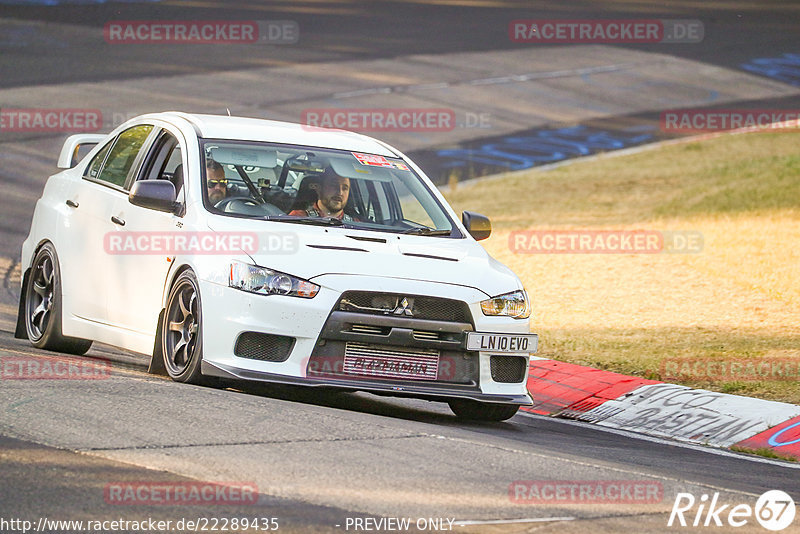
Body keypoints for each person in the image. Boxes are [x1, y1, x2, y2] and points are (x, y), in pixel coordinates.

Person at [289, 169, 356, 221]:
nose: (340, 192)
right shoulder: (297, 218)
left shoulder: (357, 225)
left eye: (345, 188)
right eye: (333, 185)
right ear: (319, 189)